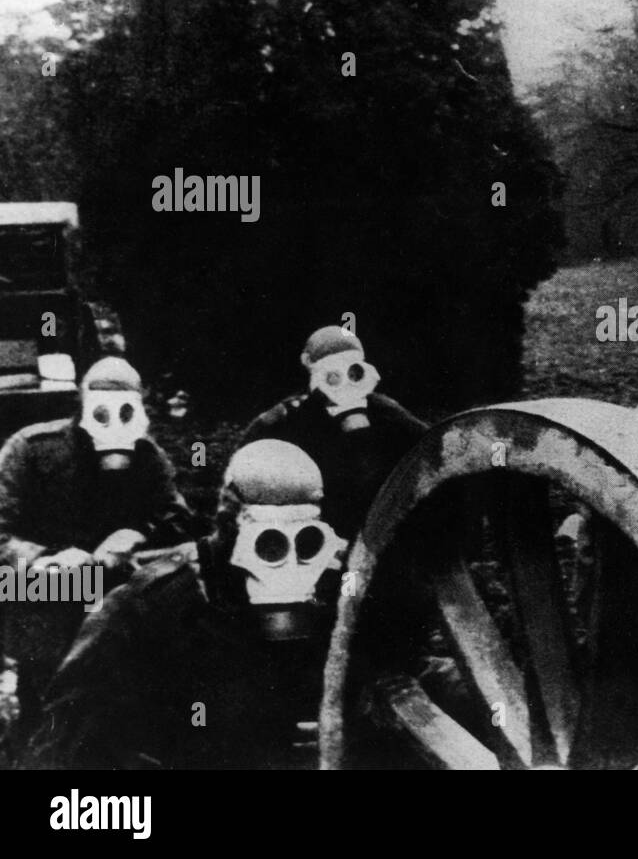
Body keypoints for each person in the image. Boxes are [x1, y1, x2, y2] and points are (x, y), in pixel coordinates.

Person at [27, 439, 351, 769]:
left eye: (307, 543)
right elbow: (67, 736)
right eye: (268, 543)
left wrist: (345, 732)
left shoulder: (336, 595)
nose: (288, 564)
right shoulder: (149, 604)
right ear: (230, 523)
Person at [0, 357, 194, 751]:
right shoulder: (32, 449)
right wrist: (40, 559)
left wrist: (137, 533)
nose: (114, 423)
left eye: (126, 409)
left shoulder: (148, 457)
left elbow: (180, 520)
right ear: (82, 404)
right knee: (48, 709)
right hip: (43, 592)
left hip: (112, 593)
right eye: (101, 410)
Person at [240, 326, 428, 539]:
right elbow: (246, 459)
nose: (344, 383)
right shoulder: (288, 416)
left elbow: (430, 447)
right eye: (332, 375)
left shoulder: (384, 411)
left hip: (379, 527)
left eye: (353, 373)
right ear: (310, 366)